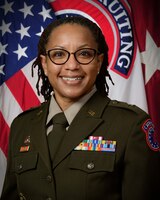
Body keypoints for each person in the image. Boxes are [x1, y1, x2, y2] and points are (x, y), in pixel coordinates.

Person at [1, 16, 160, 200]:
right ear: (45, 64)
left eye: (84, 54)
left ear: (99, 62)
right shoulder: (22, 126)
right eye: (59, 54)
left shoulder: (130, 125)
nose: (72, 65)